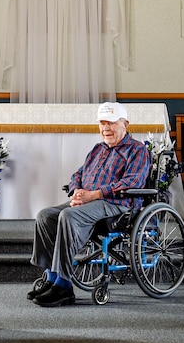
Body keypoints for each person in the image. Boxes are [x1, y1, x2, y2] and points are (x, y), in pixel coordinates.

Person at [28, 101, 152, 307]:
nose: (106, 129)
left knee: (68, 215)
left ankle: (64, 285)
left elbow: (132, 182)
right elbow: (79, 173)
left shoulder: (137, 150)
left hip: (116, 205)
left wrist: (94, 194)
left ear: (125, 124)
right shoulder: (98, 149)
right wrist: (76, 190)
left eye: (111, 123)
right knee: (45, 215)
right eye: (102, 124)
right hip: (88, 200)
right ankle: (51, 277)